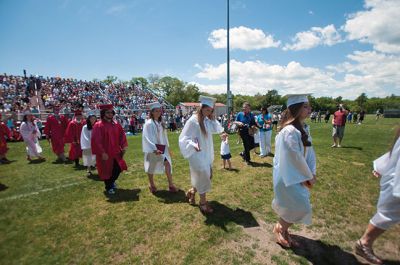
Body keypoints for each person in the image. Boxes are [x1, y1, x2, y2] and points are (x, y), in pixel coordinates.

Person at [271, 94, 317, 248]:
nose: (310, 109)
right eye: (306, 106)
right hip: (288, 176)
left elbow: (310, 153)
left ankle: (283, 230)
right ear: (296, 109)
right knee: (301, 206)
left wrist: (311, 172)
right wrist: (306, 176)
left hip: (299, 175)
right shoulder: (289, 131)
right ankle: (280, 227)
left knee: (293, 205)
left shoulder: (303, 128)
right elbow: (293, 157)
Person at [355, 127, 400, 264]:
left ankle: (365, 242)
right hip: (396, 178)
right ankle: (364, 243)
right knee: (390, 212)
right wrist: (384, 165)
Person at [179, 96, 224, 214]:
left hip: (206, 153)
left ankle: (192, 191)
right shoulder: (193, 121)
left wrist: (213, 118)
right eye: (207, 110)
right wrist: (193, 144)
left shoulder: (207, 120)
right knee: (204, 176)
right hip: (196, 154)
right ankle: (203, 203)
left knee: (207, 176)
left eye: (211, 110)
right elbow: (183, 139)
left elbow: (217, 129)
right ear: (201, 108)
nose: (209, 112)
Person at [91, 104, 128, 195]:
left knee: (118, 168)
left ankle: (111, 182)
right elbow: (96, 140)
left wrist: (123, 146)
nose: (110, 114)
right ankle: (108, 187)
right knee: (106, 170)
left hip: (115, 151)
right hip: (106, 152)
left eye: (111, 112)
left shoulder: (115, 124)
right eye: (108, 112)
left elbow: (122, 136)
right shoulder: (98, 125)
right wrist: (102, 152)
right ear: (103, 113)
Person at [142, 102, 178, 194]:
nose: (158, 113)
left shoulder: (160, 123)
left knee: (167, 163)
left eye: (159, 111)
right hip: (154, 149)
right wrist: (154, 148)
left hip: (162, 147)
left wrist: (167, 148)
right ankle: (152, 184)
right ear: (152, 112)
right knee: (151, 166)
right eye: (156, 111)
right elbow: (147, 138)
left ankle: (171, 185)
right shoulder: (149, 124)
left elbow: (164, 137)